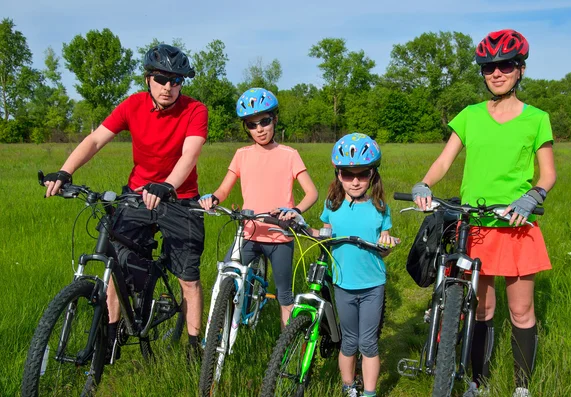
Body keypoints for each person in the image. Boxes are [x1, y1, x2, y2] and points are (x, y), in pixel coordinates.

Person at [411, 29, 556, 397]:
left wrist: (533, 195)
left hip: (517, 225)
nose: (496, 72)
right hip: (475, 227)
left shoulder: (536, 118)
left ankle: (521, 387)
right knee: (481, 309)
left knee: (521, 311)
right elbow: (445, 160)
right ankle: (480, 381)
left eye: (505, 65)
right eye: (488, 67)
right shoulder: (470, 116)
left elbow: (548, 173)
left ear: (520, 69)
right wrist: (424, 184)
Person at [43, 44, 209, 361]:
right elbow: (95, 140)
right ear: (149, 78)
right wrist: (65, 171)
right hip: (136, 194)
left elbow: (190, 155)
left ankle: (192, 348)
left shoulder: (195, 110)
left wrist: (167, 186)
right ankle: (112, 336)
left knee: (188, 278)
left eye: (176, 81)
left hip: (181, 199)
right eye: (162, 79)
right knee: (114, 262)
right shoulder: (132, 105)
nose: (169, 87)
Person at [199, 87, 318, 328]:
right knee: (227, 279)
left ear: (274, 119)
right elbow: (223, 190)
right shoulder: (242, 155)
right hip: (249, 232)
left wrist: (296, 211)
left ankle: (285, 354)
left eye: (264, 121)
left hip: (280, 235)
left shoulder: (289, 154)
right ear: (246, 128)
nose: (260, 129)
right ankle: (218, 337)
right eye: (252, 125)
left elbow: (312, 193)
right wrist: (212, 198)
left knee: (284, 297)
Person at [316, 133, 397, 397]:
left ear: (373, 174)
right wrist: (308, 230)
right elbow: (325, 233)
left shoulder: (380, 207)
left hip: (373, 285)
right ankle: (349, 387)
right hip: (343, 284)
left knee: (368, 343)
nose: (355, 181)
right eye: (347, 175)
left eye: (362, 174)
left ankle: (370, 392)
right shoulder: (333, 205)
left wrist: (387, 240)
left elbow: (384, 240)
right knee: (349, 341)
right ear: (338, 174)